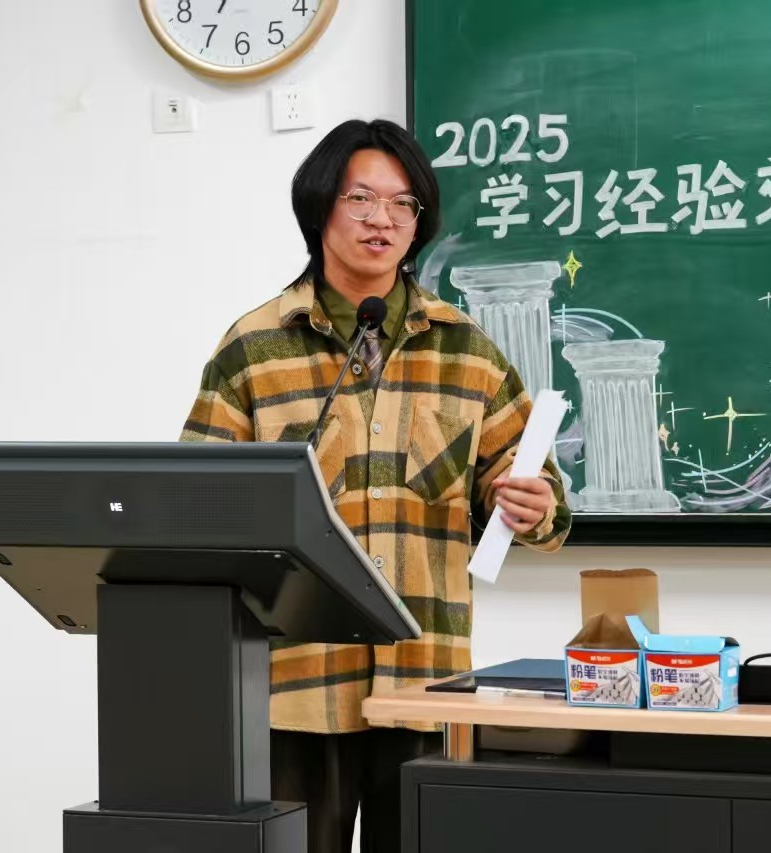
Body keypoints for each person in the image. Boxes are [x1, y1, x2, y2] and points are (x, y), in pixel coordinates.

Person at [181, 118, 571, 853]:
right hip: (294, 688)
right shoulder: (253, 349)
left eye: (402, 204)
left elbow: (535, 489)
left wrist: (533, 504)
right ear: (320, 207)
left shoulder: (467, 350)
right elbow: (194, 506)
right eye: (360, 198)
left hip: (426, 682)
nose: (382, 220)